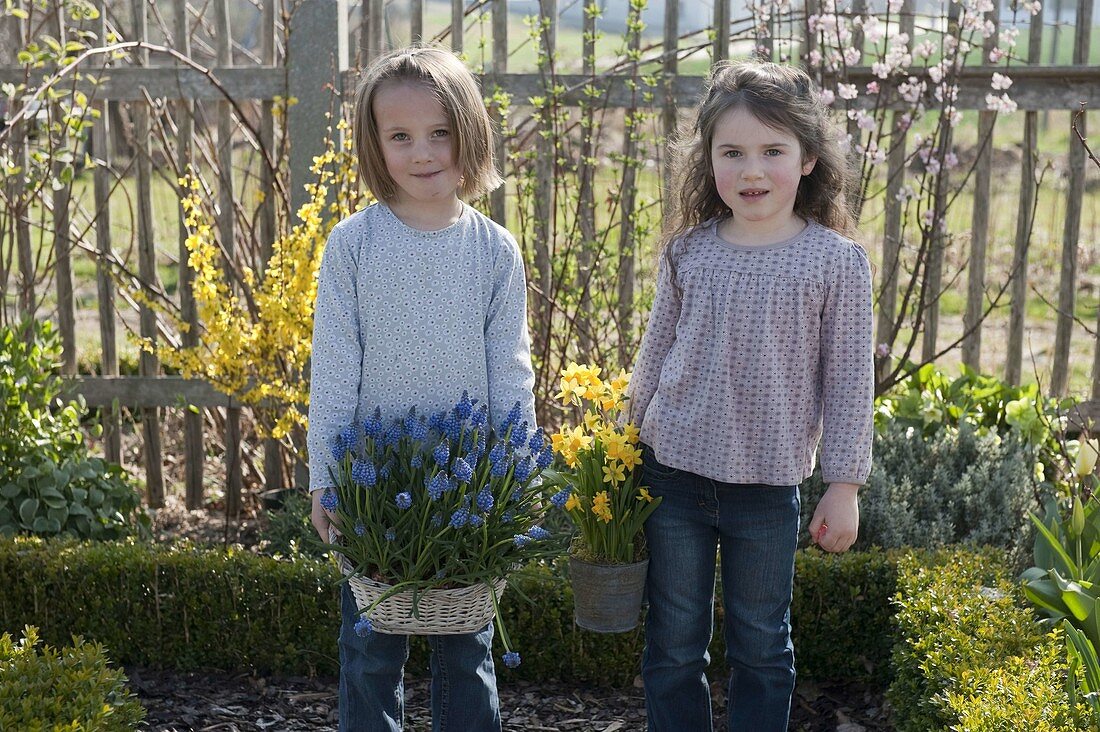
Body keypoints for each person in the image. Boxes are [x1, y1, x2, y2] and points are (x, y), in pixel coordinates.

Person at [627, 59, 874, 731]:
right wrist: (621, 446)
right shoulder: (689, 251)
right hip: (672, 475)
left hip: (767, 489)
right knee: (674, 643)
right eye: (732, 152)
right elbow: (654, 354)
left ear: (809, 159)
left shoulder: (837, 263)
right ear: (707, 162)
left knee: (762, 644)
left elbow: (851, 380)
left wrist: (844, 483)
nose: (752, 171)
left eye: (772, 151)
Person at [306, 44, 536, 732]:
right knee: (370, 647)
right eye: (400, 136)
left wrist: (517, 476)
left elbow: (512, 367)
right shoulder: (353, 246)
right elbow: (334, 369)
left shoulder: (493, 250)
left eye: (440, 132)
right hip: (375, 486)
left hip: (470, 489)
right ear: (375, 145)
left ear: (469, 132)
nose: (423, 152)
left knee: (466, 649)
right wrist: (325, 476)